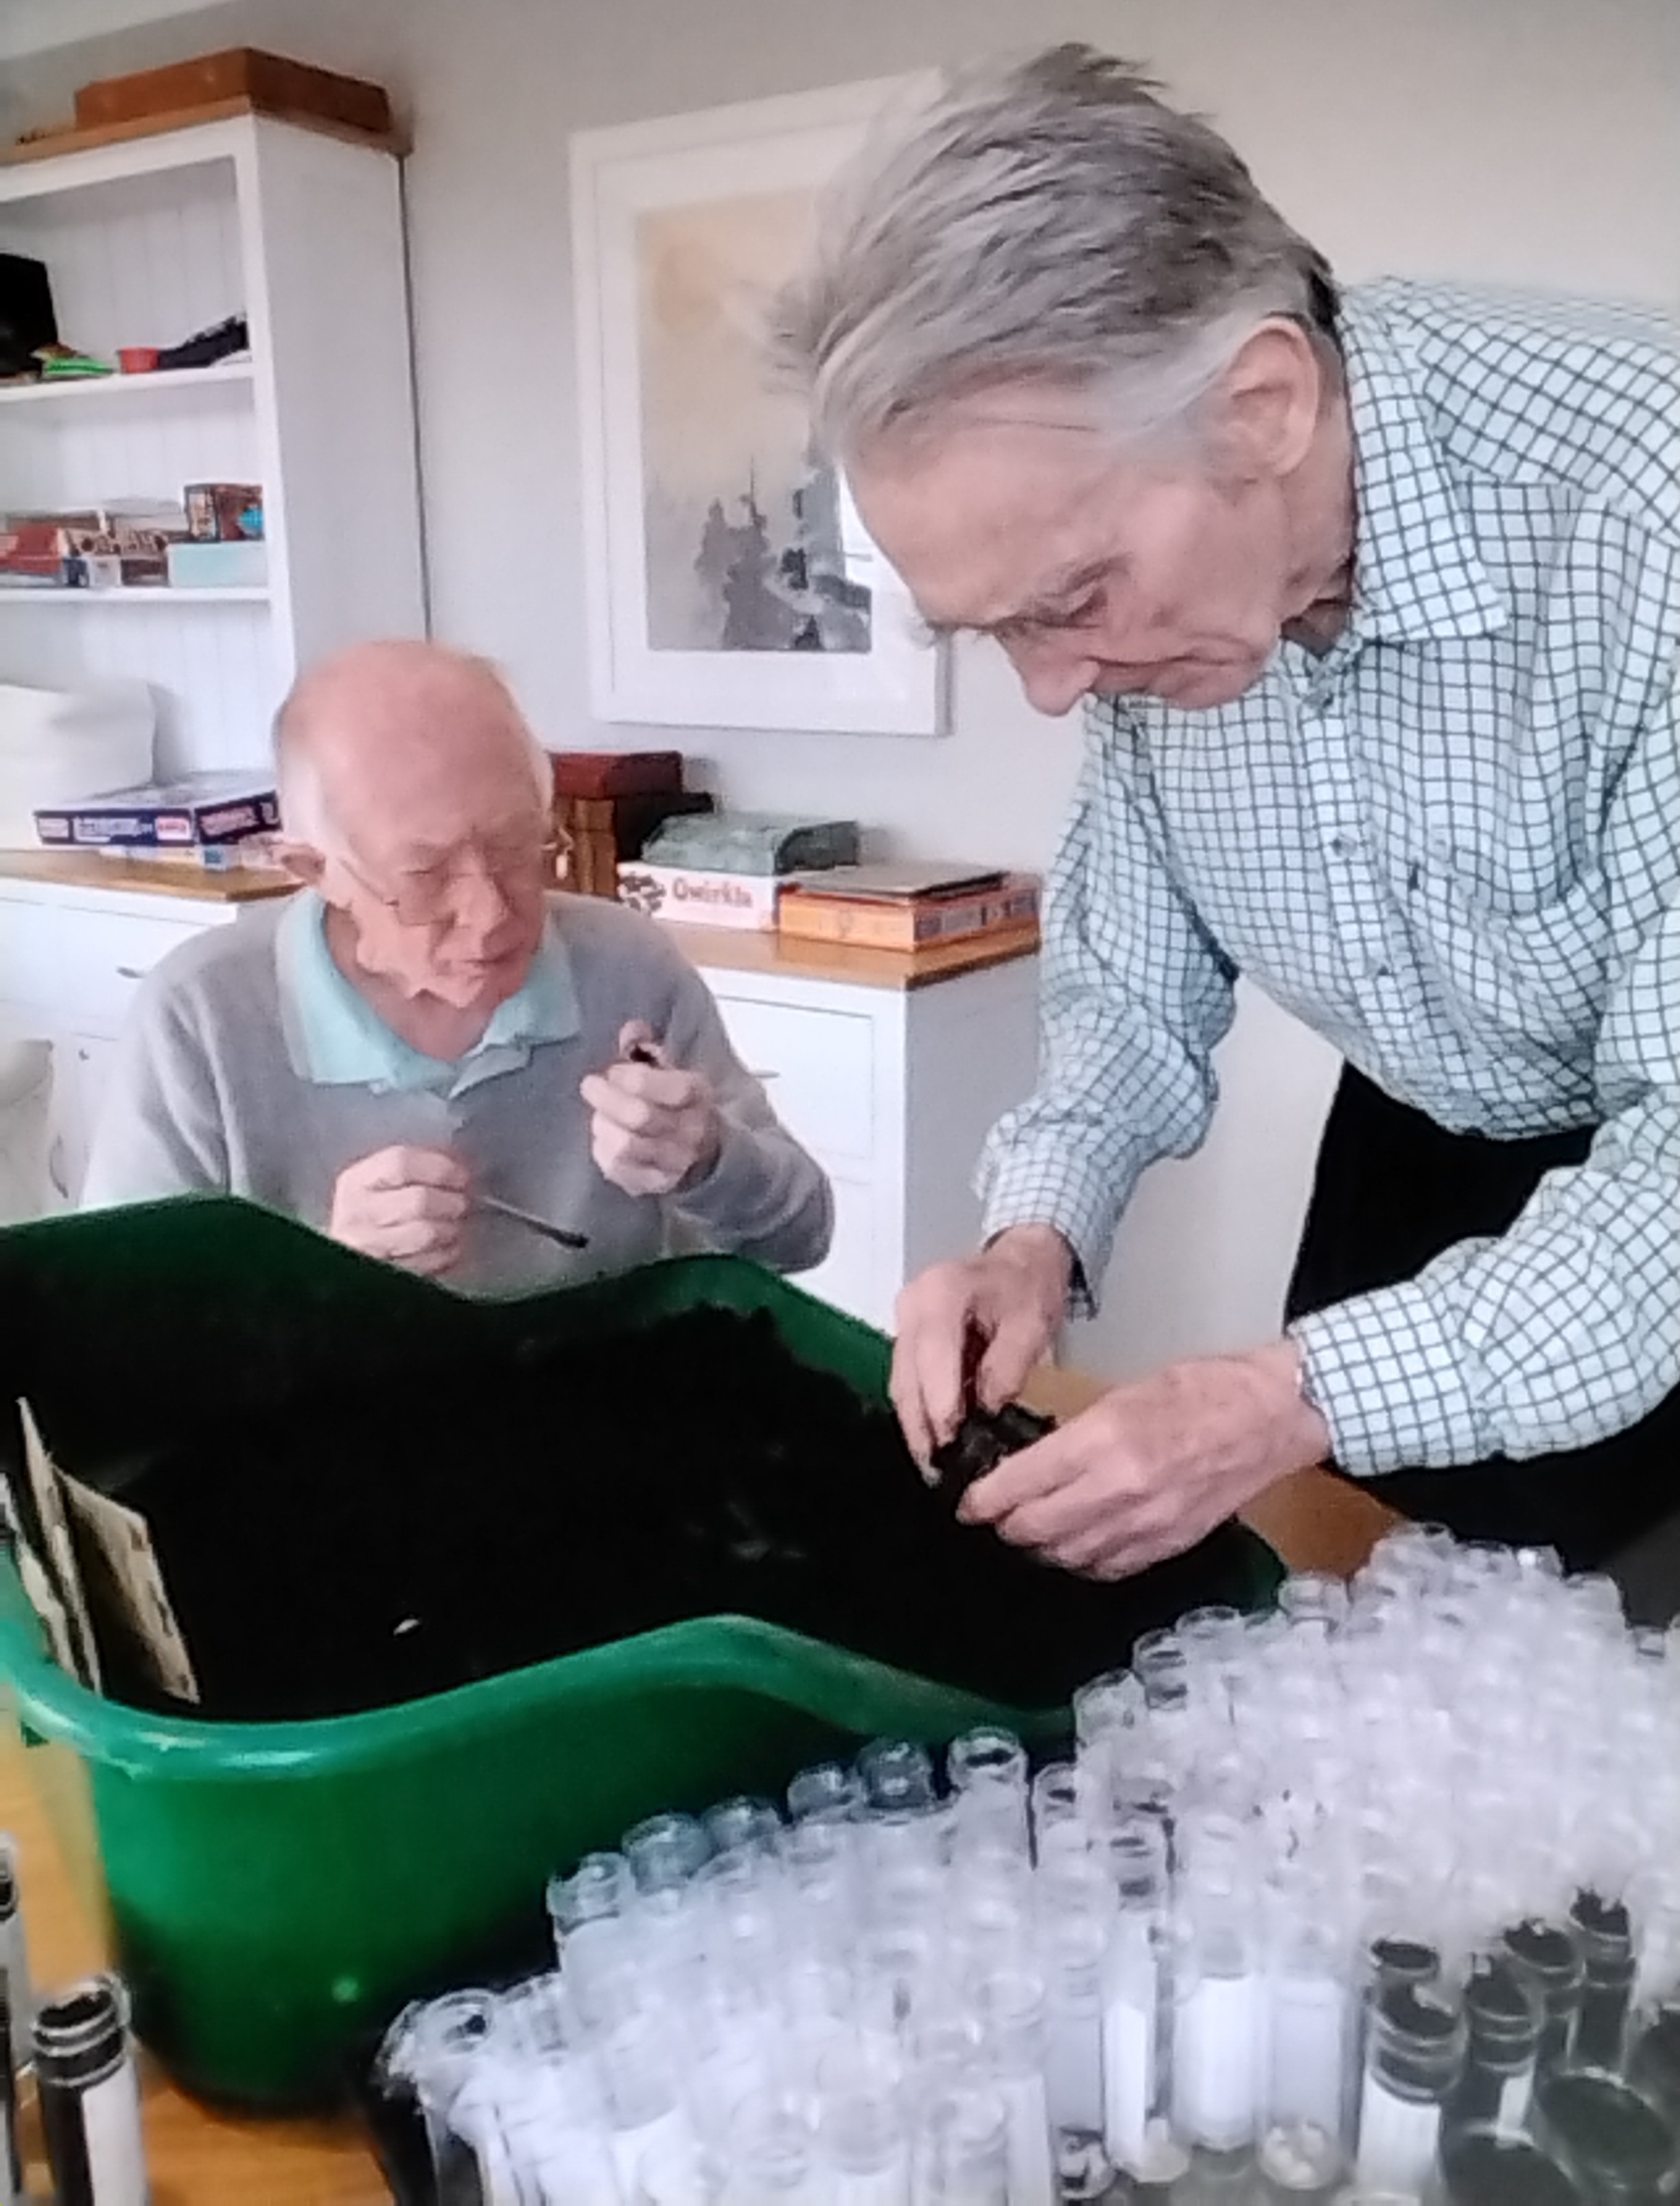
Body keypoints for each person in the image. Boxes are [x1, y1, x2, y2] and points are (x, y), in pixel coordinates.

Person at [774, 45, 1679, 1589]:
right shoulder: (1150, 620)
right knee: (1372, 1637)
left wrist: (1282, 1395)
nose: (1053, 689)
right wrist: (1032, 1237)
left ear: (1261, 405)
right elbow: (1128, 985)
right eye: (996, 630)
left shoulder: (1645, 518)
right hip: (1419, 1139)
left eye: (1071, 599)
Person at [81, 641, 832, 1292]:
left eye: (517, 847)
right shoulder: (200, 1015)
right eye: (426, 875)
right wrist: (321, 1276)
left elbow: (800, 1236)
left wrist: (709, 1161)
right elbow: (114, 1334)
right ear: (315, 871)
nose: (491, 914)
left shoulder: (629, 966)